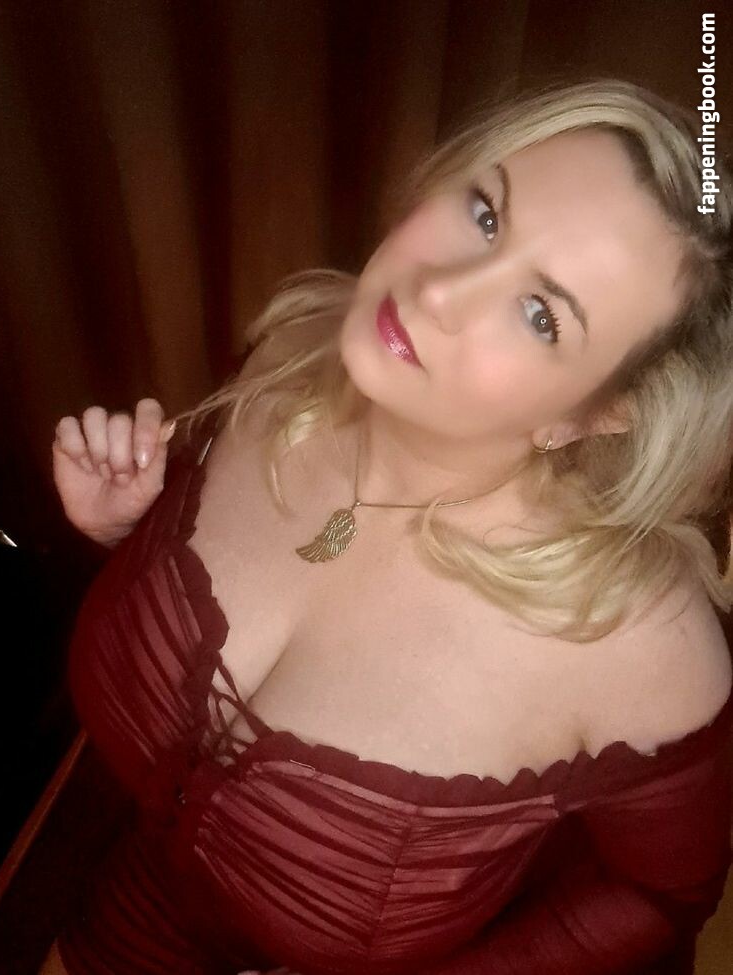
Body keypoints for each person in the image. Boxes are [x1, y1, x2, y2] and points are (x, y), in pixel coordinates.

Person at [43, 78, 733, 975]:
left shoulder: (641, 643)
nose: (439, 291)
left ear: (597, 413)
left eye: (540, 314)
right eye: (485, 213)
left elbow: (659, 895)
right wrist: (123, 529)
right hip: (125, 918)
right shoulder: (288, 359)